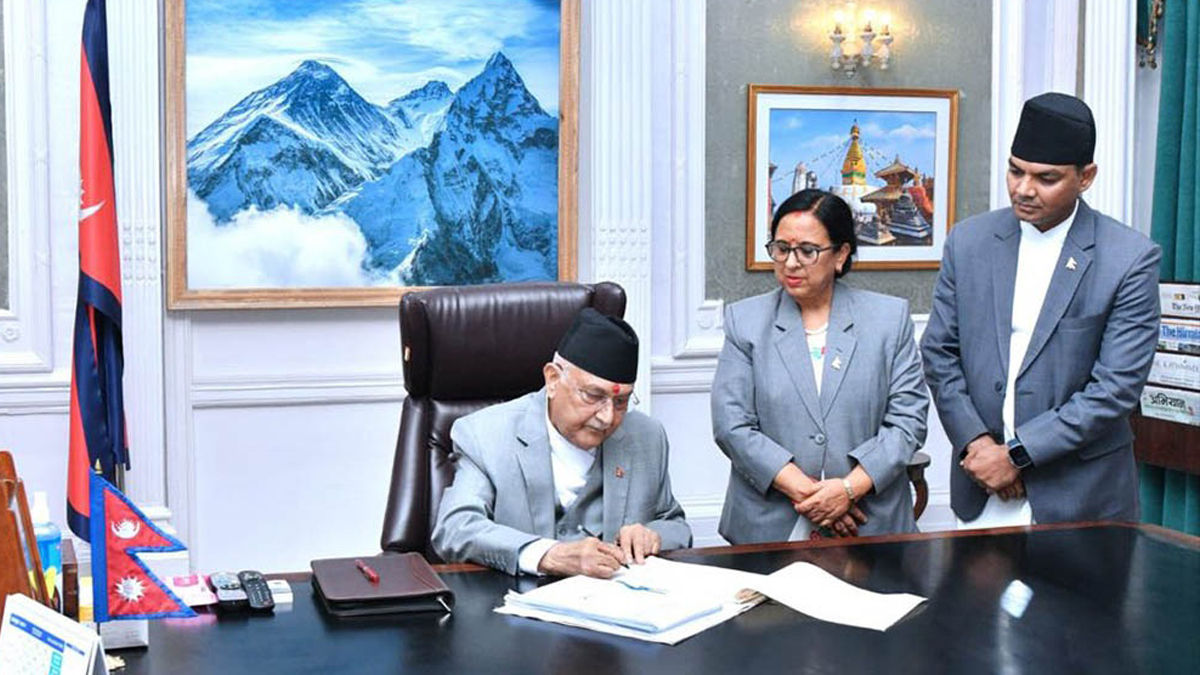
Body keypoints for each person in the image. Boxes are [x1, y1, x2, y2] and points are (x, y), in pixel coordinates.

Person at [921, 92, 1161, 527]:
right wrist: (978, 444)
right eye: (1016, 171)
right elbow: (939, 352)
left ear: (1086, 177)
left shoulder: (1129, 258)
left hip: (1082, 497)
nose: (1024, 189)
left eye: (1046, 178)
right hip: (981, 486)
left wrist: (1017, 455)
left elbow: (1116, 388)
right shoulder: (968, 241)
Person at [712, 188, 928, 544]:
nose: (790, 263)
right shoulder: (745, 321)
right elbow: (731, 426)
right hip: (770, 524)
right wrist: (811, 495)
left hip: (870, 521)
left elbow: (908, 421)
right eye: (781, 249)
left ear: (841, 254)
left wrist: (848, 489)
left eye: (807, 251)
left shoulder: (888, 319)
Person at [432, 308, 691, 577]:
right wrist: (547, 555)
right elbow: (456, 527)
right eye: (593, 396)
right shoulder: (485, 435)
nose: (607, 417)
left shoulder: (647, 436)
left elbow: (675, 525)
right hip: (517, 598)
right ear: (553, 379)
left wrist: (651, 535)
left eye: (620, 401)